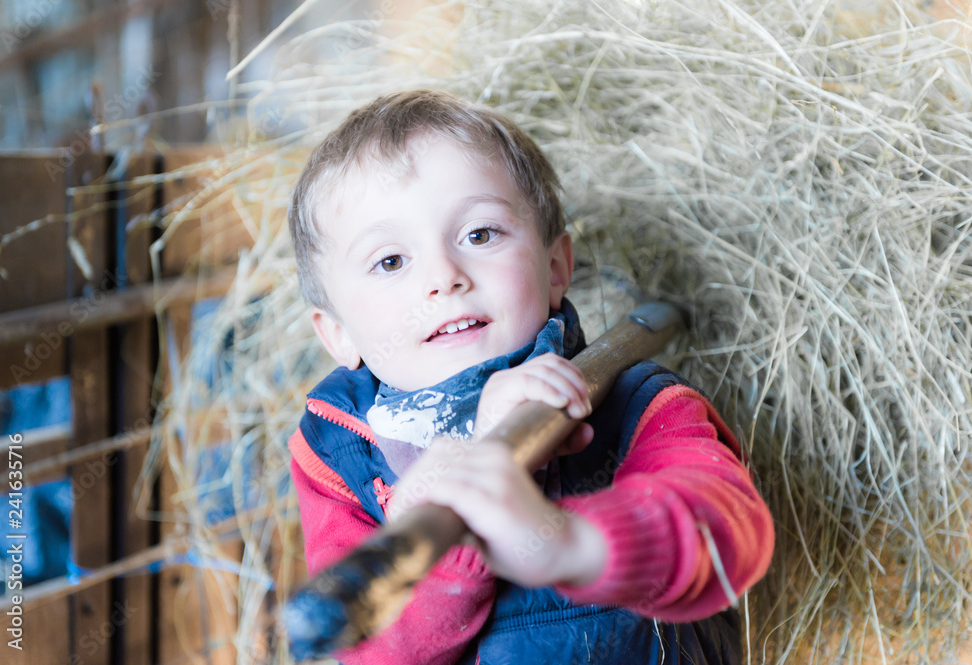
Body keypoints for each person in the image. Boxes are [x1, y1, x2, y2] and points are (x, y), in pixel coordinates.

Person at [286, 89, 774, 664]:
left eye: (480, 234)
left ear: (555, 268)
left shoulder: (636, 403)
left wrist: (569, 543)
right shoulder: (336, 452)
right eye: (391, 261)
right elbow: (368, 653)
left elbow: (728, 537)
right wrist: (448, 527)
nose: (444, 277)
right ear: (336, 332)